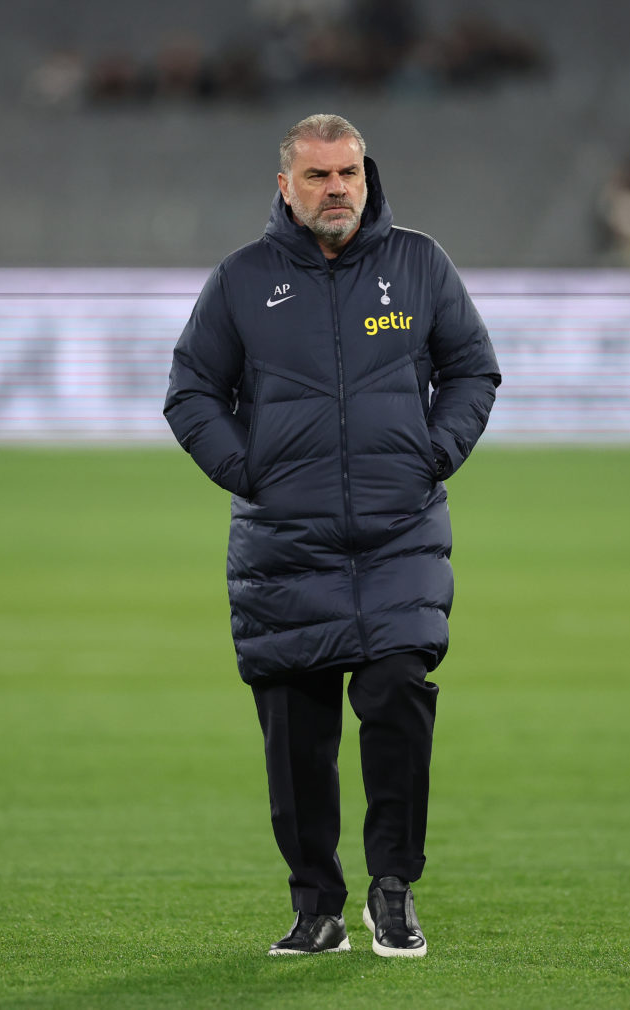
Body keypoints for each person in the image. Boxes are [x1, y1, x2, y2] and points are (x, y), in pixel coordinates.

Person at [164, 113, 499, 958]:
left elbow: (472, 368)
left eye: (348, 172)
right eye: (317, 176)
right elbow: (191, 391)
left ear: (366, 174)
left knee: (397, 700)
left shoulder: (419, 264)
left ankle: (394, 890)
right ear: (286, 186)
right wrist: (250, 472)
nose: (337, 189)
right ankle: (316, 906)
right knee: (297, 743)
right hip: (287, 547)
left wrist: (435, 452)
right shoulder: (242, 280)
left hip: (398, 540)